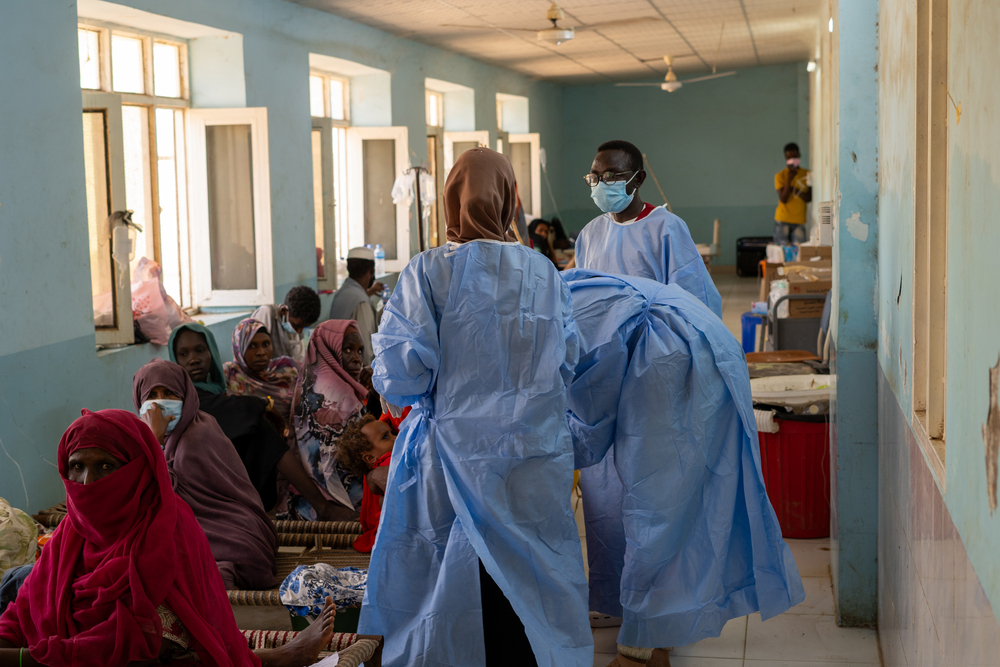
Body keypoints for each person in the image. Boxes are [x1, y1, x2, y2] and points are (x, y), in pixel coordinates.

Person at [359, 147, 592, 667]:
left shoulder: (427, 274)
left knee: (452, 578)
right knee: (530, 574)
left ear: (449, 199)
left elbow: (400, 376)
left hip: (450, 457)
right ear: (510, 200)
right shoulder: (543, 272)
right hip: (530, 453)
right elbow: (567, 362)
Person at [563, 269, 805, 667]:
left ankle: (642, 652)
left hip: (665, 361)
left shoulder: (544, 325)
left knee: (656, 509)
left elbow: (588, 427)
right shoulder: (559, 288)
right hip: (702, 343)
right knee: (683, 500)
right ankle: (661, 624)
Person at [0, 408, 340, 667]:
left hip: (145, 656)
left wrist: (20, 658)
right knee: (20, 581)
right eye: (77, 466)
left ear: (139, 469)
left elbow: (138, 639)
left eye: (106, 466)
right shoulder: (70, 534)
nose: (88, 482)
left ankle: (266, 659)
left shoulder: (164, 525)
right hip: (62, 654)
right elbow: (24, 609)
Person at [170, 323, 349, 521]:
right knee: (261, 428)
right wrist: (264, 405)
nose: (194, 359)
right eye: (183, 354)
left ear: (211, 351)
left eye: (200, 350)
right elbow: (237, 407)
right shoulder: (181, 394)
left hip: (226, 462)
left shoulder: (215, 387)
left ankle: (325, 498)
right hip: (198, 476)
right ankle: (321, 507)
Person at [134, 359, 278, 591]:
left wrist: (153, 438)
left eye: (170, 393)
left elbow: (160, 497)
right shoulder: (179, 432)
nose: (159, 404)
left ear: (185, 396)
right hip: (212, 529)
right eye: (152, 395)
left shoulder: (194, 437)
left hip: (230, 535)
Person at [574, 140, 722, 317]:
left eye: (610, 176)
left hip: (654, 336)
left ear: (638, 179)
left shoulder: (666, 229)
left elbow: (693, 296)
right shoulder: (590, 233)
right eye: (595, 177)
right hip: (603, 338)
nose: (600, 184)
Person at [288, 320, 371, 521]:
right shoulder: (342, 398)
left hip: (304, 500)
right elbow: (367, 451)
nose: (356, 359)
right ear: (329, 350)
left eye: (360, 351)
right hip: (343, 504)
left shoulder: (310, 380)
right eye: (348, 349)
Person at [335, 415, 395, 553]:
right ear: (369, 457)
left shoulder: (372, 472)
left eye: (392, 432)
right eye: (385, 437)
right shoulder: (388, 461)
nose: (395, 437)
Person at [225, 319, 299, 424]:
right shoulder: (229, 374)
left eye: (266, 344)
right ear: (239, 348)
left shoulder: (289, 368)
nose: (261, 352)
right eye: (252, 346)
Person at [328, 247, 384, 366]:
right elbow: (365, 352)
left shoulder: (342, 293)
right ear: (372, 271)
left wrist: (368, 293)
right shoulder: (361, 303)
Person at [251, 286, 323, 365]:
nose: (299, 331)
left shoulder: (296, 330)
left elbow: (299, 361)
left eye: (304, 327)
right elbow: (254, 352)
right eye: (297, 326)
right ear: (284, 311)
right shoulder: (266, 314)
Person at [773, 142, 812, 245]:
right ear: (785, 158)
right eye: (789, 157)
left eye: (795, 156)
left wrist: (794, 189)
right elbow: (783, 199)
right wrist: (789, 179)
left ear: (799, 155)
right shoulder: (780, 176)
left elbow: (808, 198)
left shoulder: (807, 174)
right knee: (781, 253)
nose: (792, 160)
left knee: (798, 253)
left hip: (799, 221)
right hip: (782, 219)